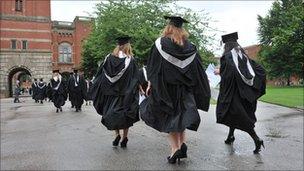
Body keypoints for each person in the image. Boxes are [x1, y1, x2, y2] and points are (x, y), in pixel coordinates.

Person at [140, 16, 211, 164]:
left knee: (169, 118)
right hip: (185, 90)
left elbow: (153, 68)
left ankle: (175, 149)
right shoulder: (190, 47)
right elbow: (197, 71)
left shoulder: (160, 44)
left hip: (166, 89)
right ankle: (181, 144)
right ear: (182, 29)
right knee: (181, 117)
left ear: (169, 27)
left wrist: (150, 85)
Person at [214, 32, 266, 154]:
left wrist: (219, 72)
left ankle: (257, 139)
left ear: (227, 45)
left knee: (241, 118)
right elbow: (260, 71)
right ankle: (230, 136)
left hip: (234, 95)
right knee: (234, 116)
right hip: (245, 95)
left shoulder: (227, 56)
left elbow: (228, 75)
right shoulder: (243, 56)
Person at [91, 36, 139, 148]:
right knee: (126, 116)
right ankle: (125, 137)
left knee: (112, 115)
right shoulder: (131, 60)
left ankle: (117, 134)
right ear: (128, 46)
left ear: (118, 46)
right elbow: (135, 78)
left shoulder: (109, 58)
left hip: (110, 94)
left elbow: (100, 74)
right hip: (125, 95)